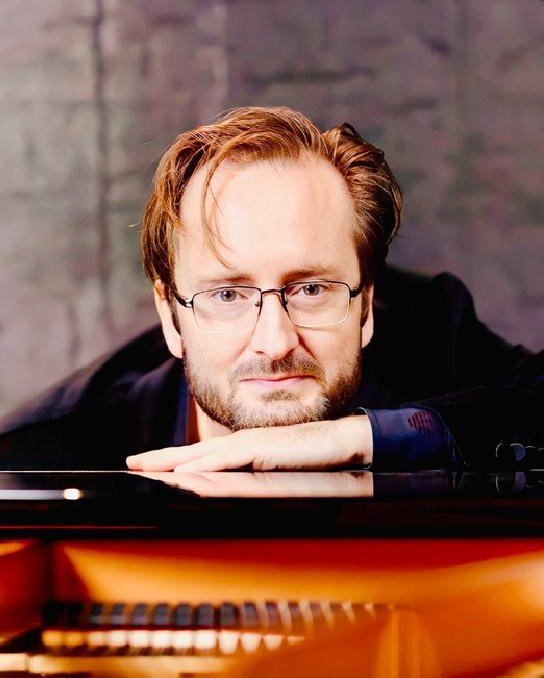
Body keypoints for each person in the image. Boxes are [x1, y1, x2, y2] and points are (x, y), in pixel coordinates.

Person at [0, 106, 542, 472]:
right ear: (170, 317)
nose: (276, 342)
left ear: (367, 305)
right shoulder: (46, 454)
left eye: (311, 289)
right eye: (227, 295)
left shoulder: (433, 330)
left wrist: (365, 437)